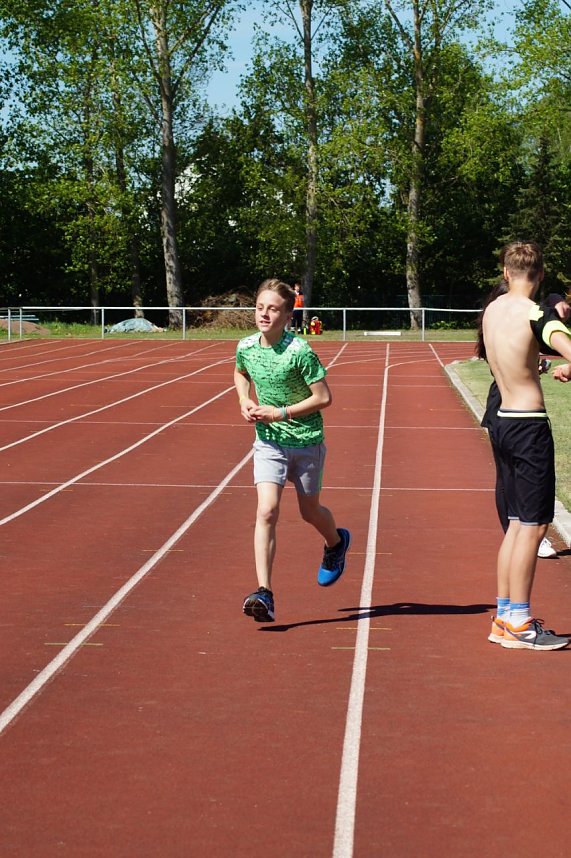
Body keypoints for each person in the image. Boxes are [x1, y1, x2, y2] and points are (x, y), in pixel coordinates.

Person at [234, 278, 351, 622]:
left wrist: (280, 412)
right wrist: (244, 399)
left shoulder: (299, 351)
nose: (264, 314)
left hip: (305, 442)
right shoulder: (246, 347)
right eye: (259, 307)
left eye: (272, 309)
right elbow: (240, 373)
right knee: (267, 511)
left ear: (287, 315)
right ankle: (264, 593)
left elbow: (324, 398)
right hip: (268, 441)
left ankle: (335, 543)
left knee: (309, 511)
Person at [477, 241, 571, 650]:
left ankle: (504, 616)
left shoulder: (493, 310)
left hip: (501, 423)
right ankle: (519, 621)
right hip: (528, 425)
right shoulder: (538, 314)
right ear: (541, 274)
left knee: (516, 523)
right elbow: (557, 337)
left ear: (505, 272)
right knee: (533, 527)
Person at [480, 283, 570, 559]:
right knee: (527, 519)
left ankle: (516, 535)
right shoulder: (527, 313)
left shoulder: (495, 314)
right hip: (519, 415)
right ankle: (521, 534)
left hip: (505, 411)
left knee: (509, 486)